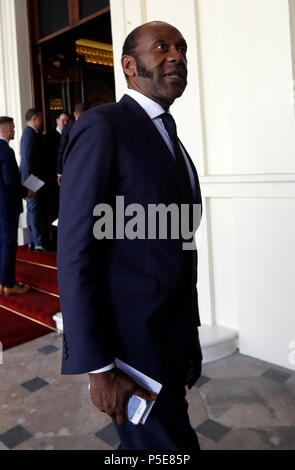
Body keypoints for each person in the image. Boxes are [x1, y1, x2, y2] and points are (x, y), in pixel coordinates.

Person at [57, 21, 203, 451]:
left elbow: (173, 244)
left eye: (181, 48)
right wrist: (98, 365)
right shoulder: (105, 126)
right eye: (161, 47)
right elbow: (76, 251)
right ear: (129, 64)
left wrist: (188, 335)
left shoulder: (168, 136)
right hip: (130, 345)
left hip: (169, 335)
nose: (176, 55)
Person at [0, 117, 33, 296]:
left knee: (1, 244)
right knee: (8, 245)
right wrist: (27, 192)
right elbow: (10, 181)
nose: (14, 131)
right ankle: (9, 285)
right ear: (5, 130)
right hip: (7, 207)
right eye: (12, 128)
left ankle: (2, 283)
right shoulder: (6, 151)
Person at [20, 109, 45, 252]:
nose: (41, 122)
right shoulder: (30, 135)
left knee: (32, 210)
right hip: (31, 179)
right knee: (34, 210)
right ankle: (37, 242)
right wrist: (31, 183)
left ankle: (33, 241)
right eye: (40, 119)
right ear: (34, 119)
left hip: (30, 178)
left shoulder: (30, 134)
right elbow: (28, 160)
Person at [43, 111, 70, 245]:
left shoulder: (71, 133)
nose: (64, 123)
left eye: (66, 121)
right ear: (57, 120)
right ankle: (55, 237)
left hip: (67, 178)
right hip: (54, 178)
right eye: (62, 120)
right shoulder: (49, 136)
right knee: (55, 207)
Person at [57, 103, 87, 186]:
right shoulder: (93, 126)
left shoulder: (68, 128)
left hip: (71, 168)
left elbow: (62, 150)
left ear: (74, 114)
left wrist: (60, 172)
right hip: (88, 167)